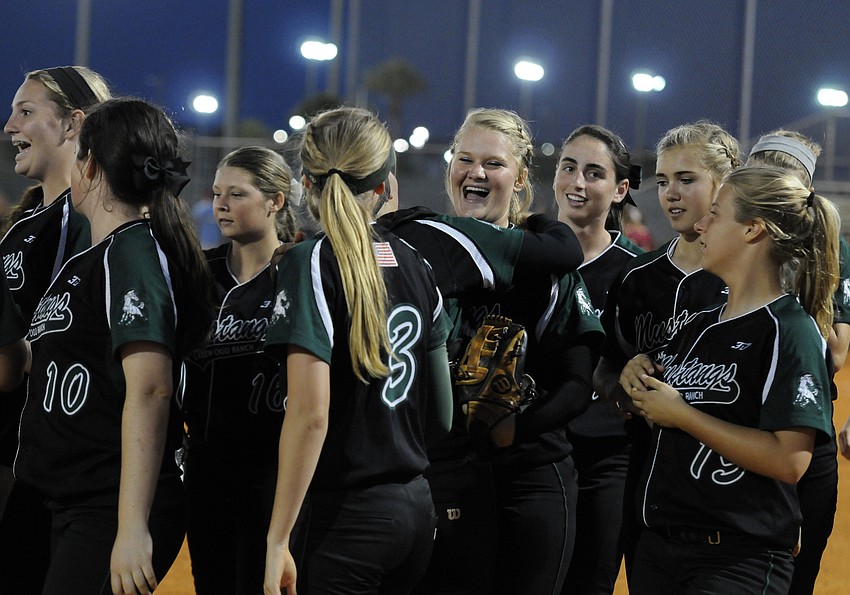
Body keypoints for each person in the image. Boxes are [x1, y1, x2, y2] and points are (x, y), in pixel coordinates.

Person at [14, 97, 214, 595]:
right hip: (72, 502)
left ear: (92, 166)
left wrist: (130, 528)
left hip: (109, 508)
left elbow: (151, 391)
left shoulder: (133, 250)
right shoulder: (96, 255)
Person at [620, 164, 838, 594]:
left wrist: (681, 414)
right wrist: (637, 374)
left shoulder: (787, 328)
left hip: (737, 558)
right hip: (660, 549)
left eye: (716, 213)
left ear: (753, 230)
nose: (701, 223)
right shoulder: (697, 325)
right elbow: (660, 412)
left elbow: (790, 461)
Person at [263, 106, 454, 594]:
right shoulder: (415, 262)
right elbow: (443, 416)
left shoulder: (311, 261)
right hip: (414, 508)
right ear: (386, 186)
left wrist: (278, 538)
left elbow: (310, 415)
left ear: (306, 182)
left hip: (344, 517)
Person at [414, 108, 604, 595]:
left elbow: (579, 381)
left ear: (520, 179)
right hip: (443, 473)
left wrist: (515, 427)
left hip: (531, 476)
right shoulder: (420, 256)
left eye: (493, 164)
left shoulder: (547, 265)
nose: (476, 173)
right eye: (465, 159)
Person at [592, 121, 741, 586]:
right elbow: (605, 373)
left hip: (732, 494)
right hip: (650, 492)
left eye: (687, 179)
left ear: (725, 182)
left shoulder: (753, 280)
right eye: (662, 181)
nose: (671, 193)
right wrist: (625, 381)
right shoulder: (638, 279)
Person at [0, 65, 111, 593]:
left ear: (73, 125)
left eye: (25, 112)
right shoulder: (25, 228)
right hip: (26, 466)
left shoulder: (94, 221)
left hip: (63, 475)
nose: (8, 126)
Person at [182, 147, 299, 594]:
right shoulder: (199, 274)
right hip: (207, 468)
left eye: (237, 193)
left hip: (273, 471)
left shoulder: (300, 269)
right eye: (216, 193)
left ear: (276, 201)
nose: (221, 204)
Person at [747, 129, 850, 595]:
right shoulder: (729, 240)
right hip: (740, 425)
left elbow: (837, 353)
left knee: (799, 574)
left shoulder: (831, 251)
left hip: (805, 428)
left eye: (780, 180)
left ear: (805, 192)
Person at [553, 125, 644, 595]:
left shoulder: (639, 273)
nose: (578, 183)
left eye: (594, 173)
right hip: (532, 453)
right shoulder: (525, 257)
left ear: (620, 188)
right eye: (569, 168)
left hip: (607, 458)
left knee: (589, 581)